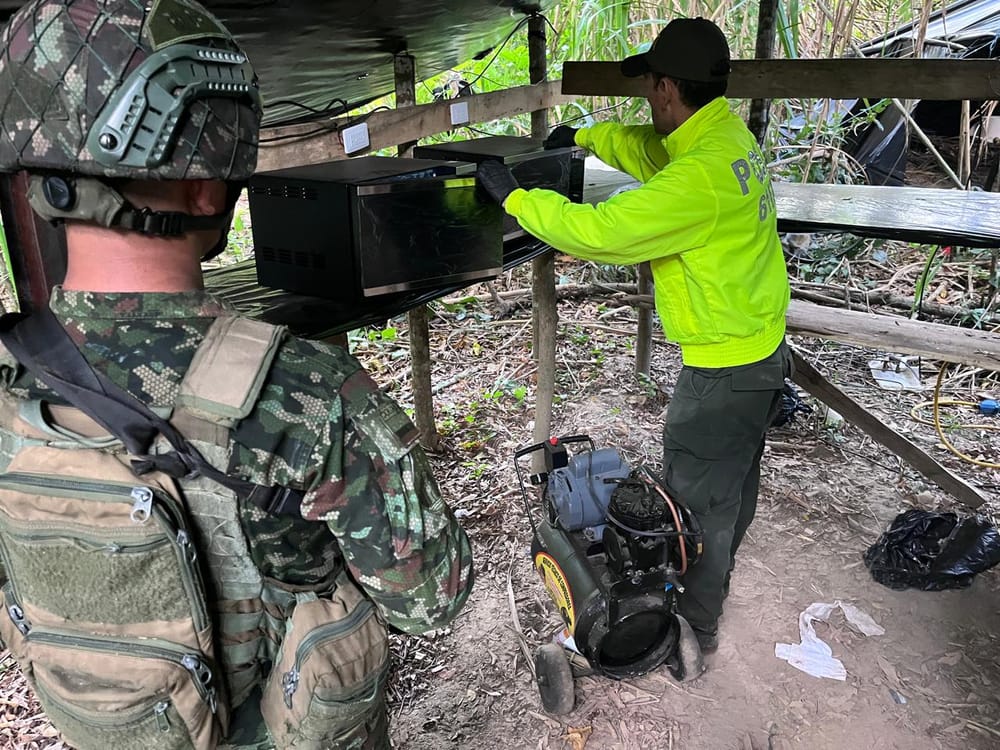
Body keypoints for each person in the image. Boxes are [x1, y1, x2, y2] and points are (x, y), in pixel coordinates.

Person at [0, 1, 473, 748]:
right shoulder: (304, 393)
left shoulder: (11, 379)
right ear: (208, 187)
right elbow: (432, 596)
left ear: (37, 180)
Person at [476, 16, 791, 655]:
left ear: (667, 88)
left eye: (650, 85)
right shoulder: (725, 135)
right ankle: (711, 582)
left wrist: (515, 199)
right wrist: (583, 136)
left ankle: (693, 627)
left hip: (725, 370)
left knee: (696, 507)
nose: (649, 96)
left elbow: (604, 232)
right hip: (762, 348)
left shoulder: (697, 178)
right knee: (732, 484)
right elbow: (648, 148)